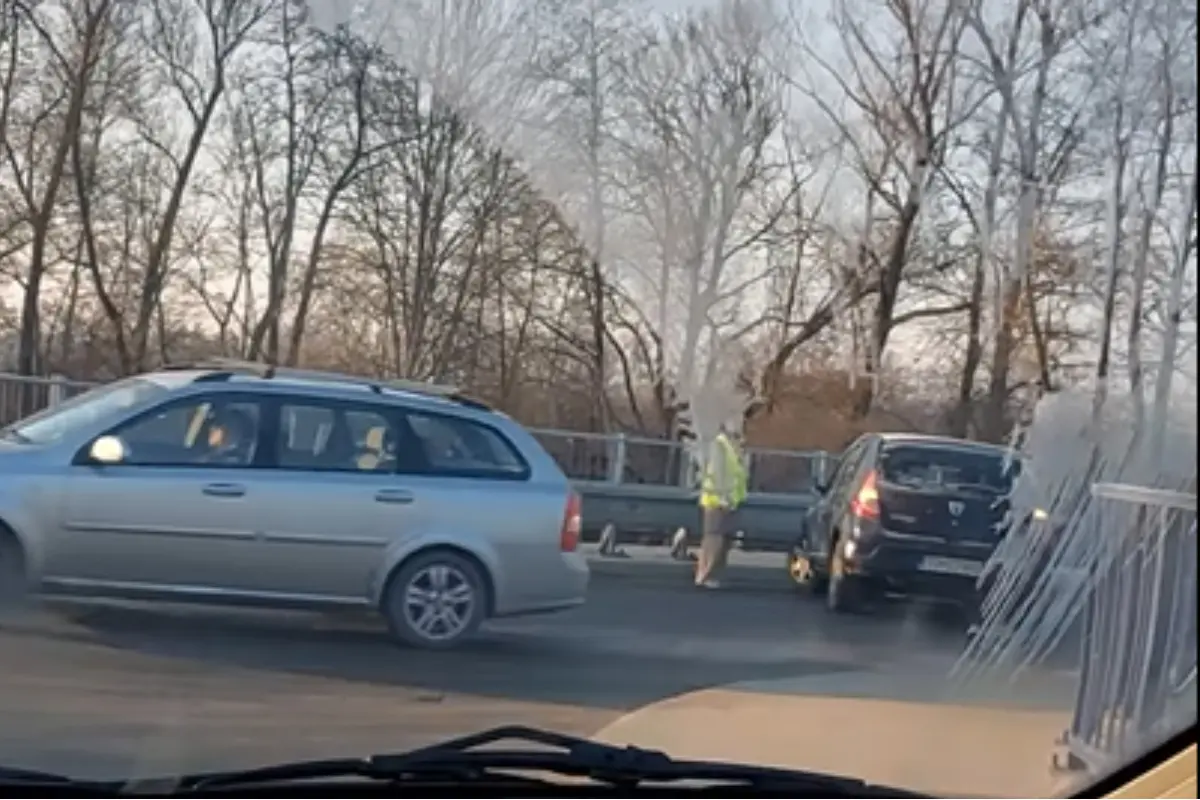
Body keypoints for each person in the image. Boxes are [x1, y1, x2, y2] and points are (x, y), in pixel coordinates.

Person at [694, 422, 748, 589]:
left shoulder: (730, 447)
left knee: (719, 540)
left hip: (726, 501)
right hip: (717, 501)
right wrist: (724, 498)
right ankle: (705, 574)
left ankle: (708, 574)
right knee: (714, 540)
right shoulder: (721, 446)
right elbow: (719, 475)